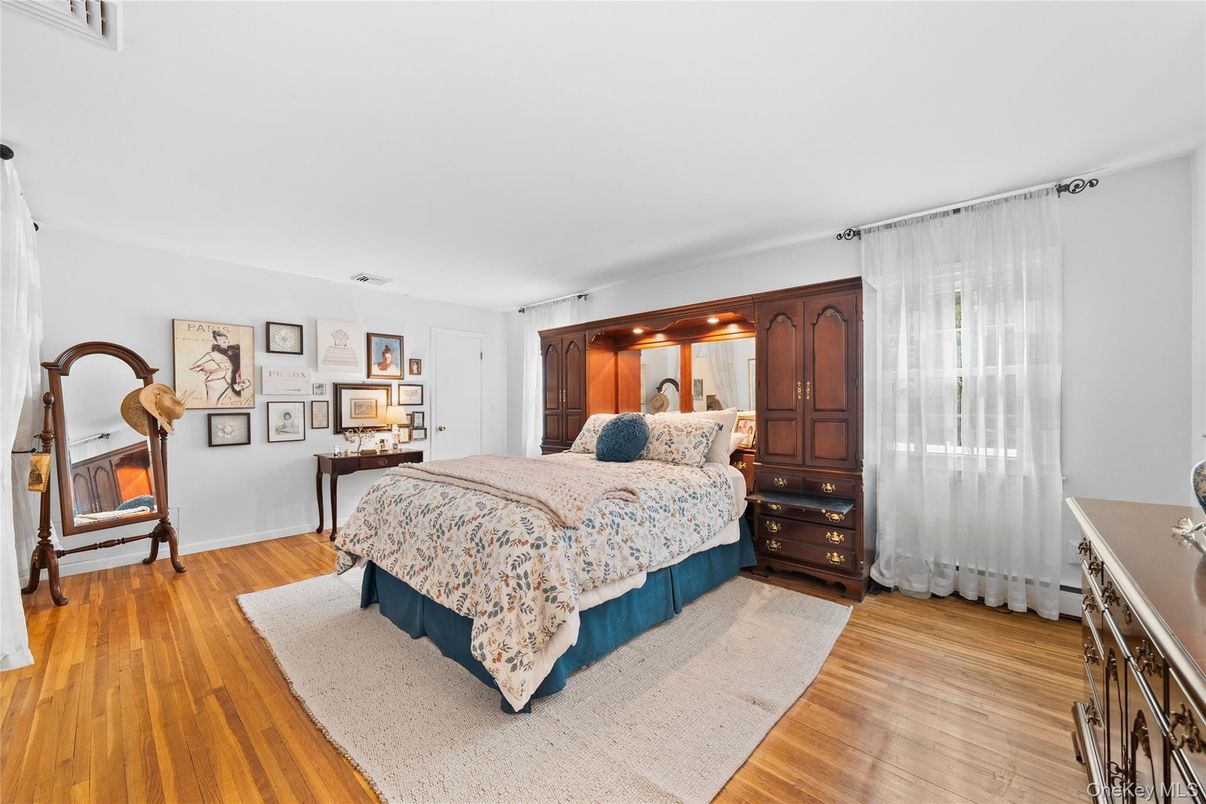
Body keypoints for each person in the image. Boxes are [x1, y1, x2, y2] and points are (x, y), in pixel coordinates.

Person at [190, 328, 250, 405]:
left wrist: (238, 375)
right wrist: (214, 370)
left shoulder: (237, 353)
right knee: (213, 403)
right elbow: (194, 367)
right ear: (217, 342)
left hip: (232, 382)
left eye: (224, 338)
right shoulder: (211, 354)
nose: (223, 340)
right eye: (220, 339)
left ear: (228, 340)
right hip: (216, 381)